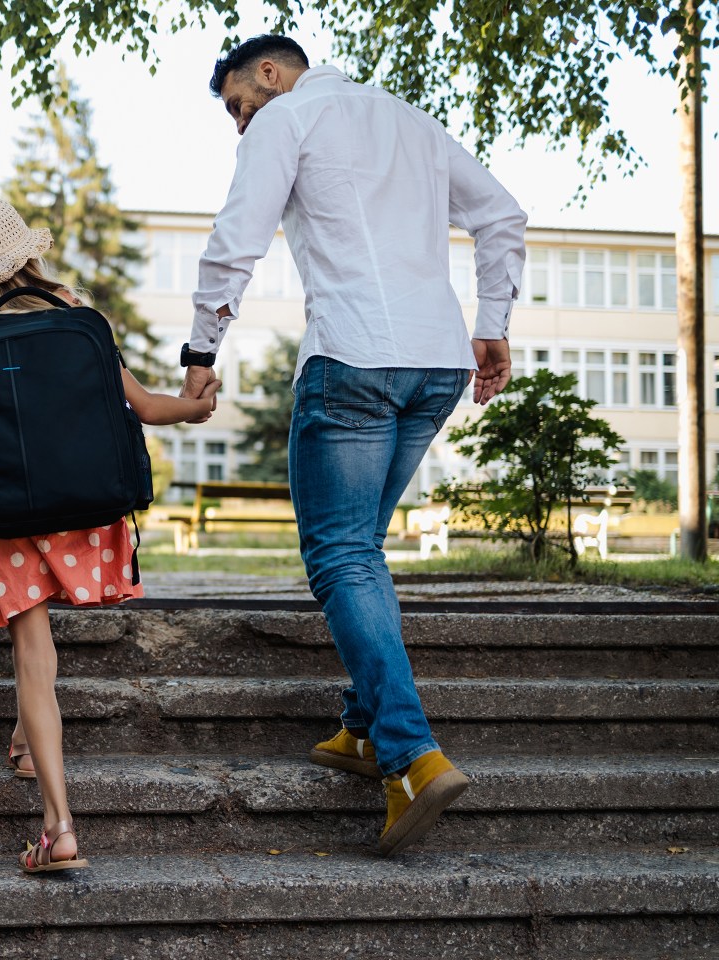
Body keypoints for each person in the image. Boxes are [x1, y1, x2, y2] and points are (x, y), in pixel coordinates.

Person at [181, 35, 526, 856]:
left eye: (238, 105)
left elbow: (237, 238)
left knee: (338, 555)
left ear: (270, 73)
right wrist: (492, 325)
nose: (241, 124)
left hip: (355, 358)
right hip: (436, 363)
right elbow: (502, 215)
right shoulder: (411, 122)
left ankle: (410, 754)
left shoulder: (288, 118)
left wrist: (200, 350)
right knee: (361, 548)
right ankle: (363, 726)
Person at [0, 197, 220, 873]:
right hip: (82, 512)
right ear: (27, 254)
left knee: (33, 656)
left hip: (5, 522)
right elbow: (142, 406)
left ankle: (59, 826)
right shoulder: (72, 314)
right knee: (40, 659)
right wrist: (195, 407)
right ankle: (27, 745)